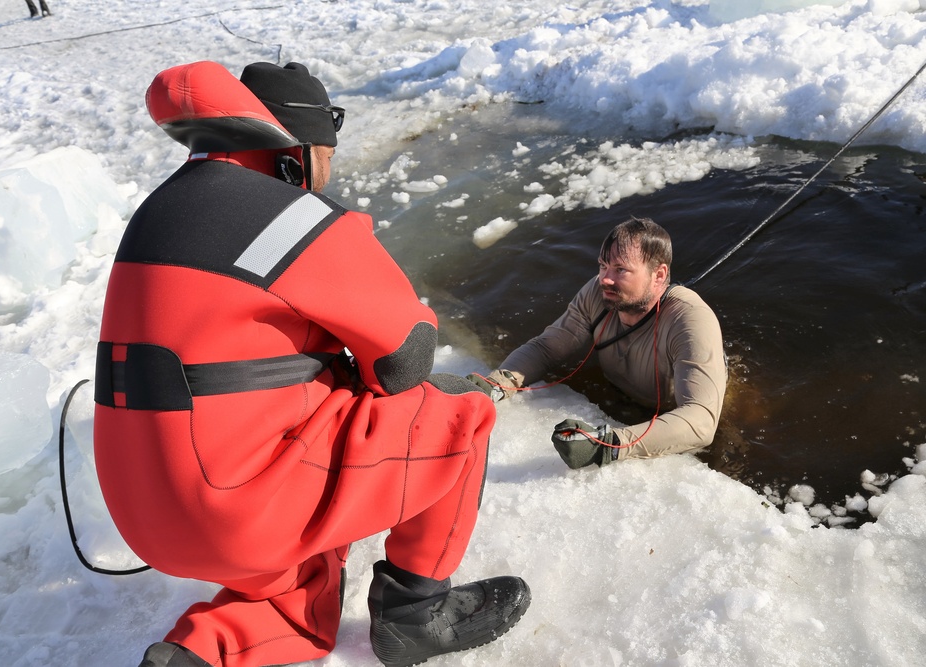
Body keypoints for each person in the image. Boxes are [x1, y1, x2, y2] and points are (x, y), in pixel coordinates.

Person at [93, 60, 530, 667]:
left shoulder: (154, 210)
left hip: (142, 515)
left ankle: (198, 652)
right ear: (297, 149)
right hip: (233, 508)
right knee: (461, 409)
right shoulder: (291, 215)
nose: (329, 169)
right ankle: (416, 615)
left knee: (310, 570)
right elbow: (406, 360)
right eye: (328, 150)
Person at [471, 217, 726, 469]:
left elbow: (701, 420)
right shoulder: (598, 292)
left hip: (670, 417)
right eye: (603, 266)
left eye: (620, 269)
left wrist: (609, 445)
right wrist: (497, 384)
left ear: (658, 274)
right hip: (621, 396)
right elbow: (548, 347)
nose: (605, 278)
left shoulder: (690, 318)